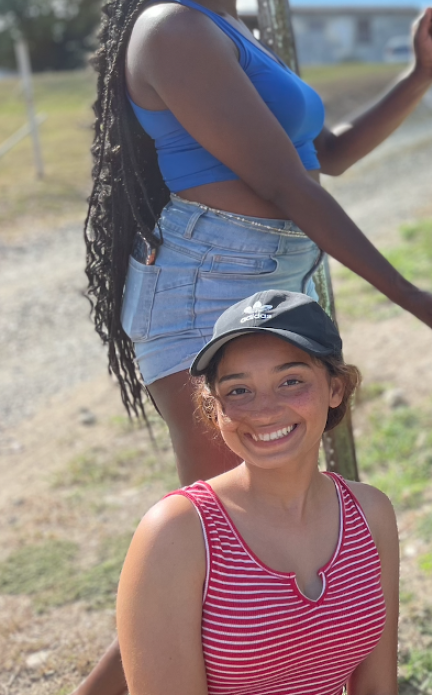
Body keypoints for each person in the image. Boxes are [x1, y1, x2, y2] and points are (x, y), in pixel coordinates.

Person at [79, 0, 432, 695]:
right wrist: (415, 300)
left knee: (265, 524)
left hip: (263, 283)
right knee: (214, 538)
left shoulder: (236, 33)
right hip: (204, 288)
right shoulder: (173, 29)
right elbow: (282, 185)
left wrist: (419, 76)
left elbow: (325, 156)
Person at [116, 290, 398, 695]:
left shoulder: (370, 513)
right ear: (214, 408)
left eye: (291, 381)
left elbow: (376, 688)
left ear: (336, 388)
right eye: (238, 390)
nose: (264, 410)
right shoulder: (177, 534)